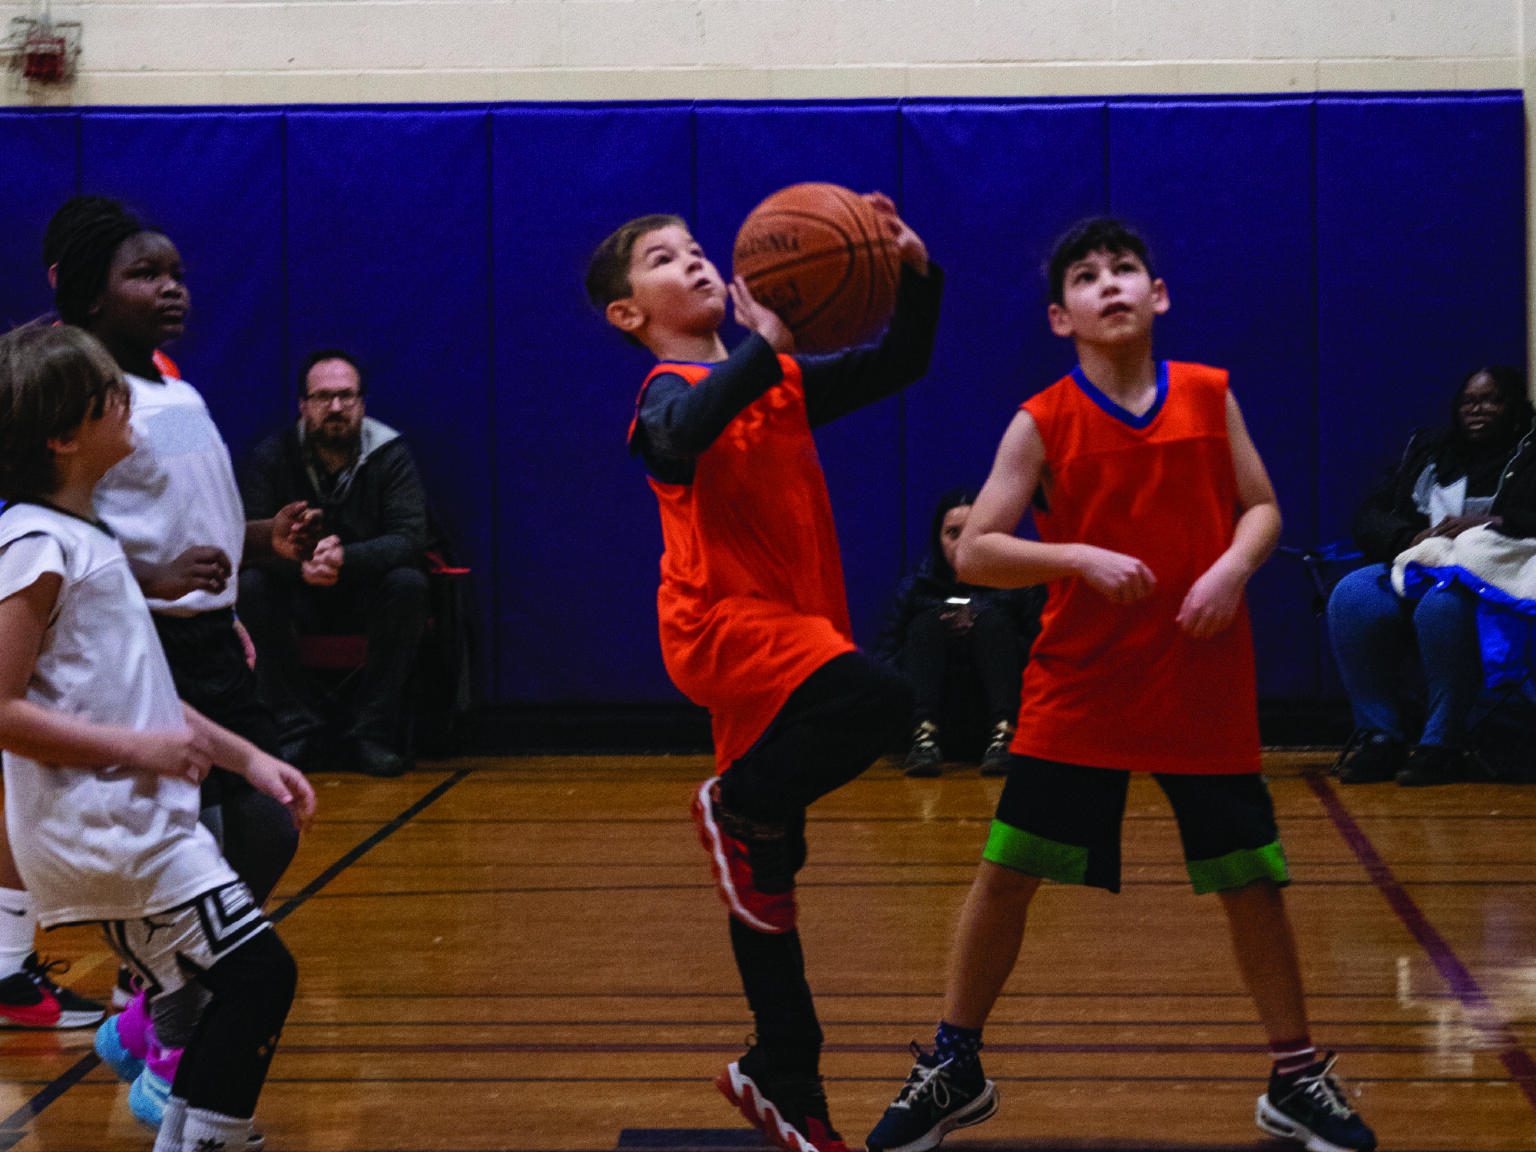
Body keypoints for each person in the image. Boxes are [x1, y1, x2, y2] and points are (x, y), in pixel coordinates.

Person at [864, 218, 1375, 1152]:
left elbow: (1262, 508)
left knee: (1252, 881)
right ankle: (954, 1063)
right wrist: (1078, 556)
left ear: (1158, 294)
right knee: (1007, 874)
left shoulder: (1209, 395)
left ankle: (1295, 1074)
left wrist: (1232, 570)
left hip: (1198, 678)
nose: (1109, 284)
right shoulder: (1042, 419)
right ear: (1061, 317)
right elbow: (977, 549)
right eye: (1086, 276)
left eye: (1125, 269)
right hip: (1084, 684)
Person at [587, 200, 941, 1152]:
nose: (696, 262)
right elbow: (681, 434)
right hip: (721, 626)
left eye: (697, 249)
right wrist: (767, 344)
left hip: (790, 633)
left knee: (767, 877)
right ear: (629, 312)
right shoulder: (664, 392)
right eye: (666, 258)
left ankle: (783, 1070)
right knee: (885, 701)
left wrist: (913, 274)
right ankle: (735, 803)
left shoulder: (776, 380)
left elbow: (902, 362)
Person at [0, 323, 315, 1152]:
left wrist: (247, 756)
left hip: (136, 829)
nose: (129, 404)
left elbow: (142, 695)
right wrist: (141, 752)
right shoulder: (34, 544)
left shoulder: (87, 538)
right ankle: (212, 1135)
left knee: (221, 991)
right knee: (259, 974)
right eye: (111, 397)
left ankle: (190, 1130)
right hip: (107, 835)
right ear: (63, 436)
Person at [1328, 365, 1535, 787]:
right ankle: (1380, 735)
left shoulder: (1530, 454)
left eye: (1491, 400)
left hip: (1495, 580)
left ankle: (1441, 743)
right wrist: (1408, 537)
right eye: (1468, 401)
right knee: (1353, 595)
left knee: (1443, 606)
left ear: (1515, 409)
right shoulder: (1429, 451)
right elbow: (1370, 514)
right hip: (1419, 564)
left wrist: (1492, 522)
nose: (1477, 409)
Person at [238, 349, 431, 779]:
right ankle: (295, 728)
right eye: (323, 397)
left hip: (365, 593)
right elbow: (249, 539)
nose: (337, 407)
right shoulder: (272, 455)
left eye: (346, 396)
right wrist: (301, 567)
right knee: (251, 585)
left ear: (362, 402)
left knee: (409, 583)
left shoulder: (390, 453)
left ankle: (372, 734)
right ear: (303, 405)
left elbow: (409, 538)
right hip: (296, 596)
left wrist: (345, 559)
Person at [874, 488, 1043, 776]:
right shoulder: (916, 588)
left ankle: (1003, 734)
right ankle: (924, 736)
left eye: (973, 532)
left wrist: (985, 634)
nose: (963, 543)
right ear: (938, 539)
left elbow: (1044, 657)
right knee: (925, 624)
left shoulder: (1019, 582)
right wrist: (938, 638)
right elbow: (884, 662)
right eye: (953, 533)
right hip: (935, 721)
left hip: (1000, 717)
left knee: (992, 622)